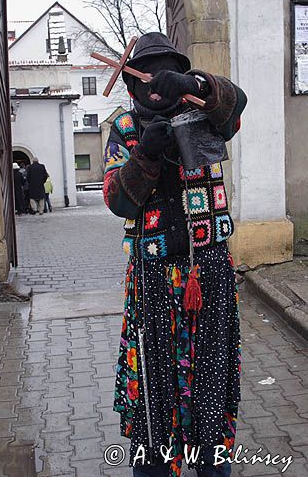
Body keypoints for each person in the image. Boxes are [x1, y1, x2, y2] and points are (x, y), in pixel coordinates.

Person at [103, 33, 247, 477]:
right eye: (148, 75)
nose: (156, 87)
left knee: (209, 382)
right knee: (155, 387)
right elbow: (117, 199)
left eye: (166, 72)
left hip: (209, 276)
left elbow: (235, 107)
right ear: (132, 86)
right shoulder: (125, 128)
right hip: (153, 281)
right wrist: (144, 155)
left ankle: (211, 465)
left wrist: (198, 84)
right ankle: (155, 468)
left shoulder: (204, 114)